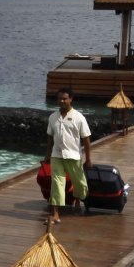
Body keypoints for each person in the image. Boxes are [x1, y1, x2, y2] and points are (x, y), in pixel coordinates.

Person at [44, 89, 91, 224]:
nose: (62, 101)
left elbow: (86, 139)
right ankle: (56, 214)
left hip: (74, 156)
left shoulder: (79, 117)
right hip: (57, 156)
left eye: (65, 98)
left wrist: (88, 160)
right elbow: (50, 138)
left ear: (71, 99)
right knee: (57, 184)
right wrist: (48, 156)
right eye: (59, 99)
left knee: (80, 184)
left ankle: (77, 200)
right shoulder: (53, 117)